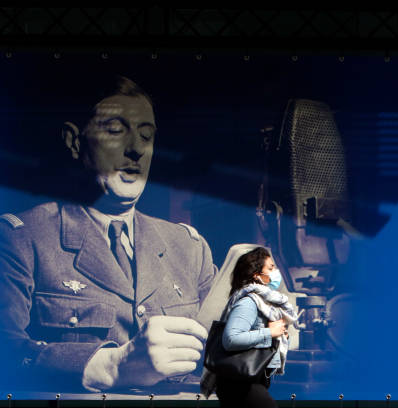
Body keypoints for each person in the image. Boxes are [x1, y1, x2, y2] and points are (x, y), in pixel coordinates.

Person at [0, 76, 217, 392]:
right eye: (116, 132)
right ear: (75, 142)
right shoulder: (22, 240)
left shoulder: (188, 247)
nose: (135, 150)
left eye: (146, 136)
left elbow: (221, 358)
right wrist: (111, 367)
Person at [201, 247, 297, 407]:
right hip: (240, 384)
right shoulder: (248, 302)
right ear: (256, 275)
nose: (276, 271)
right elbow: (231, 339)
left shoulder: (263, 302)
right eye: (271, 267)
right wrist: (269, 332)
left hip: (249, 380)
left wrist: (279, 336)